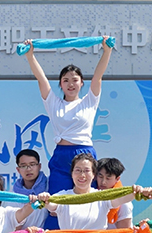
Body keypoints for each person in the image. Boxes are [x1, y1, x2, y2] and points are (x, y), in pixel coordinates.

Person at [22, 36, 112, 195]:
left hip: (84, 155)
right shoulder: (53, 103)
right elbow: (41, 79)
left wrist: (107, 51)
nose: (71, 84)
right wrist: (30, 56)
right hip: (61, 156)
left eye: (75, 80)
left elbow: (97, 77)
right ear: (60, 84)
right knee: (57, 199)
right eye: (66, 80)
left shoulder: (89, 101)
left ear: (81, 83)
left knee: (86, 198)